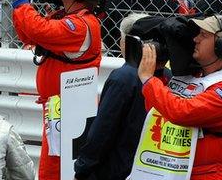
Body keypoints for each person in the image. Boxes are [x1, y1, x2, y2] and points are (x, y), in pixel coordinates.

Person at [10, 0, 106, 180]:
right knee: (56, 167)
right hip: (61, 108)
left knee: (54, 169)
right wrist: (24, 0)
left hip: (69, 111)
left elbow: (38, 30)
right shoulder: (68, 17)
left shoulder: (81, 25)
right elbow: (28, 35)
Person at [135, 15, 222, 179]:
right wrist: (158, 73)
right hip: (179, 171)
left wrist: (149, 80)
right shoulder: (196, 77)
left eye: (204, 35)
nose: (196, 39)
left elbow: (180, 112)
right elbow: (158, 112)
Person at [73, 13, 171, 180]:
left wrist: (83, 167)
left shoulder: (124, 77)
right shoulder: (169, 76)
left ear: (128, 42)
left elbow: (103, 129)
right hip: (153, 167)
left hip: (116, 170)